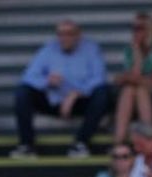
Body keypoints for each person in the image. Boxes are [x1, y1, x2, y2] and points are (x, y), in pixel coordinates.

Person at [11, 20, 113, 159]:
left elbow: (99, 78)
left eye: (69, 34)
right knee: (23, 92)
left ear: (78, 35)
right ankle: (26, 145)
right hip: (53, 100)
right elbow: (28, 77)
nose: (64, 38)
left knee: (102, 93)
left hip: (80, 102)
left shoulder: (91, 49)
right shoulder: (48, 49)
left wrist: (76, 93)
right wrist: (46, 81)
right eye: (60, 34)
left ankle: (81, 143)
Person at [113, 11, 152, 144]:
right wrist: (137, 53)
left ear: (151, 29)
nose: (135, 32)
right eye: (133, 28)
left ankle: (149, 140)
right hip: (137, 91)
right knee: (130, 90)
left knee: (139, 90)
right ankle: (119, 141)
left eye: (139, 28)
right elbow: (130, 77)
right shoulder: (131, 49)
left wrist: (131, 78)